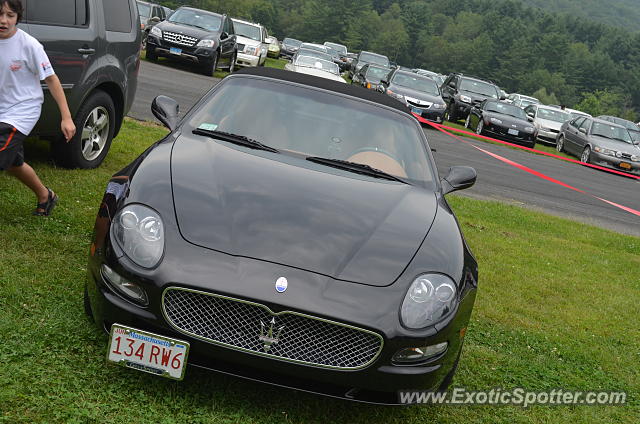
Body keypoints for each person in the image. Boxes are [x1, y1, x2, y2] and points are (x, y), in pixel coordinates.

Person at [0, 0, 75, 216]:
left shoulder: (29, 45)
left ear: (18, 17)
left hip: (22, 110)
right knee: (13, 162)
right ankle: (45, 195)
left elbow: (51, 79)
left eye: (10, 15)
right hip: (2, 109)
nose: (4, 20)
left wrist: (66, 117)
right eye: (0, 14)